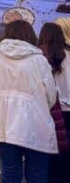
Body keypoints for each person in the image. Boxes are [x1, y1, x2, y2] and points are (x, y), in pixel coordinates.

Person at [0, 20, 58, 183]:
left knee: (10, 170)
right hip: (35, 120)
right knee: (37, 172)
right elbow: (51, 95)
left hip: (3, 119)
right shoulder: (39, 59)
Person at [38, 21, 70, 183]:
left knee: (47, 150)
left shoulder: (38, 57)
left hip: (48, 109)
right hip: (68, 110)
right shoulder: (68, 55)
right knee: (66, 152)